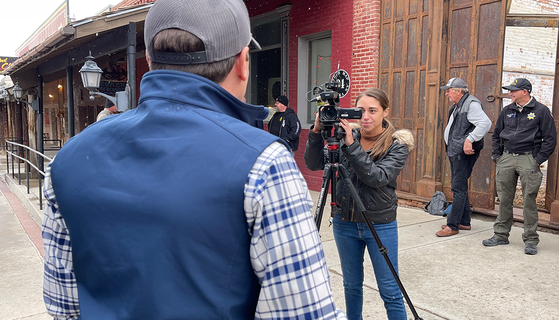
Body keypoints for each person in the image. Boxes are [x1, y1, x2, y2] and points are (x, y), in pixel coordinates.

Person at [41, 0, 345, 319]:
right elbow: (302, 313)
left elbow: (63, 306)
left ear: (149, 60)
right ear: (243, 63)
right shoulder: (265, 163)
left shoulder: (68, 160)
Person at [305, 88, 415, 320]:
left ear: (385, 111)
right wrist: (316, 131)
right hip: (344, 222)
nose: (365, 117)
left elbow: (376, 177)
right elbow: (313, 163)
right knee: (351, 285)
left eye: (372, 111)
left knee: (390, 290)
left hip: (379, 223)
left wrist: (351, 146)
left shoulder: (397, 144)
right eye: (360, 110)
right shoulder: (346, 136)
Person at [483, 78, 556, 255]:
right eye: (510, 90)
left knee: (529, 199)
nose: (510, 93)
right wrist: (497, 156)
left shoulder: (541, 111)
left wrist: (537, 160)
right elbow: (497, 134)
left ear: (525, 91)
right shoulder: (507, 110)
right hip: (506, 157)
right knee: (504, 198)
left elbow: (550, 138)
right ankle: (501, 235)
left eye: (513, 90)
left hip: (528, 158)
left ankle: (531, 240)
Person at [436, 77, 491, 237]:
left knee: (457, 187)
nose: (447, 94)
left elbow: (485, 123)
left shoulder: (471, 104)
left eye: (449, 90)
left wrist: (469, 140)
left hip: (463, 153)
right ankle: (464, 221)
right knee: (460, 186)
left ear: (458, 91)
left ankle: (452, 225)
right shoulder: (458, 105)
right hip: (456, 151)